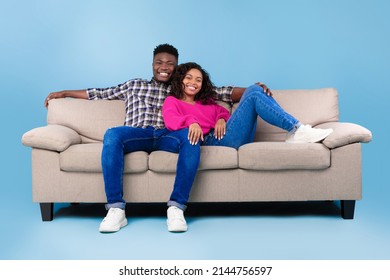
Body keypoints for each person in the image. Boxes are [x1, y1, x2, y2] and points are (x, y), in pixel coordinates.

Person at [44, 44, 256, 233]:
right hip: (137, 134)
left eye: (170, 63)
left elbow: (223, 92)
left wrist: (255, 91)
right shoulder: (134, 85)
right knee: (112, 134)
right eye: (159, 62)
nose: (164, 67)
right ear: (152, 64)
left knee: (192, 136)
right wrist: (64, 93)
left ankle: (176, 208)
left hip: (168, 134)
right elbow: (99, 93)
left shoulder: (181, 88)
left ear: (177, 67)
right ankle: (116, 210)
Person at [162, 61, 333, 162]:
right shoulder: (172, 101)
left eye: (198, 80)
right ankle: (296, 129)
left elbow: (222, 113)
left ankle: (296, 130)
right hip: (211, 142)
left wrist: (221, 119)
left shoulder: (206, 102)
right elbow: (171, 121)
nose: (194, 82)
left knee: (254, 89)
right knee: (252, 91)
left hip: (226, 136)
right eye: (189, 78)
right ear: (180, 80)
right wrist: (192, 121)